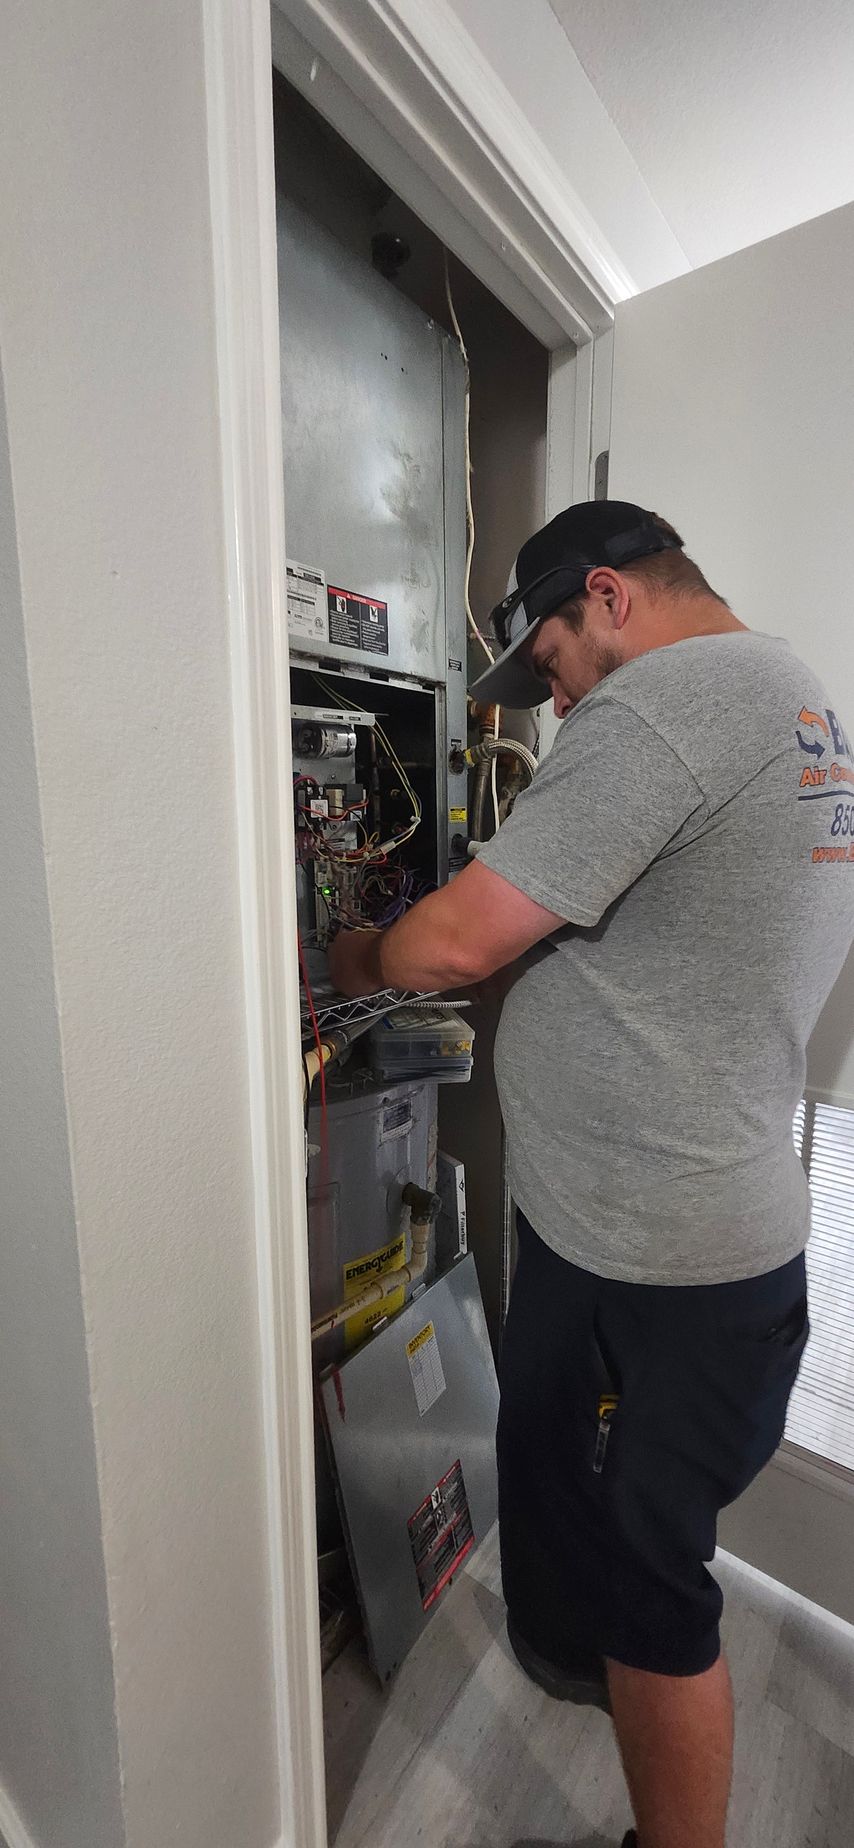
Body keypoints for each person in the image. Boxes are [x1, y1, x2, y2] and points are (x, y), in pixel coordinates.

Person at [328, 499, 854, 1848]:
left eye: (551, 668)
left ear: (608, 599)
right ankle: (573, 1658)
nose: (552, 707)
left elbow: (450, 945)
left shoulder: (670, 706)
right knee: (559, 1465)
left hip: (662, 1251)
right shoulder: (800, 700)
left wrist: (340, 960)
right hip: (636, 1227)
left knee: (650, 1580)